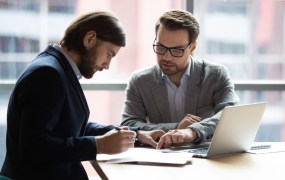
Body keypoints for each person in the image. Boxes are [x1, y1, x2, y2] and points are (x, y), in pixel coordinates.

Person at [0, 10, 165, 179]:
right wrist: (98, 146)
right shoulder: (48, 74)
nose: (107, 65)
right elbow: (34, 148)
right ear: (89, 39)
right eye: (109, 54)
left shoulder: (57, 68)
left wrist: (134, 134)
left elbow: (70, 125)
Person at [121, 9, 239, 149]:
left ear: (192, 47)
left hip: (205, 157)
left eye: (177, 50)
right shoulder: (139, 81)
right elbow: (129, 124)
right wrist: (176, 127)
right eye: (161, 47)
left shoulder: (215, 75)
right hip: (159, 157)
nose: (166, 57)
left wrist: (192, 131)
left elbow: (231, 115)